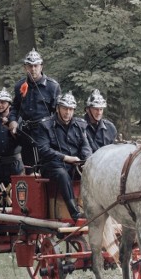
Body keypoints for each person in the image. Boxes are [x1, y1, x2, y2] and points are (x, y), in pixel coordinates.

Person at [37, 91, 92, 220]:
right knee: (62, 173)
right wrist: (65, 158)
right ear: (57, 108)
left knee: (92, 172)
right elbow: (43, 150)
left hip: (75, 165)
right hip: (51, 166)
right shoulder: (45, 125)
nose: (67, 112)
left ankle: (95, 208)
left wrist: (86, 161)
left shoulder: (80, 125)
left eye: (71, 109)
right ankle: (75, 213)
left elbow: (85, 146)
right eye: (64, 108)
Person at [8, 48, 61, 174]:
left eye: (36, 66)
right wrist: (13, 121)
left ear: (41, 66)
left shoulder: (52, 86)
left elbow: (59, 113)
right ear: (25, 67)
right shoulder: (19, 86)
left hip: (46, 133)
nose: (33, 69)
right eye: (30, 66)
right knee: (30, 169)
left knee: (47, 167)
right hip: (26, 133)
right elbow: (14, 107)